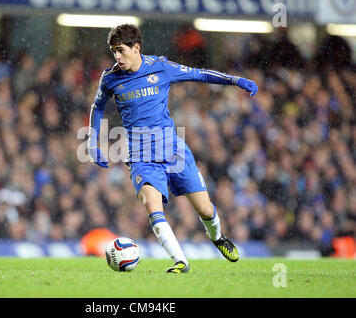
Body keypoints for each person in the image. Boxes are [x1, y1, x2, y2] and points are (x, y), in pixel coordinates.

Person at [87, 24, 258, 273]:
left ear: (137, 48)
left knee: (205, 209)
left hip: (172, 150)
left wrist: (235, 80)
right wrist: (93, 142)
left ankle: (218, 238)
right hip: (140, 156)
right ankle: (181, 261)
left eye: (121, 51)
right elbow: (97, 107)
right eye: (114, 52)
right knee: (152, 207)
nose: (117, 57)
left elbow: (199, 74)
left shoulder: (161, 67)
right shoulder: (110, 78)